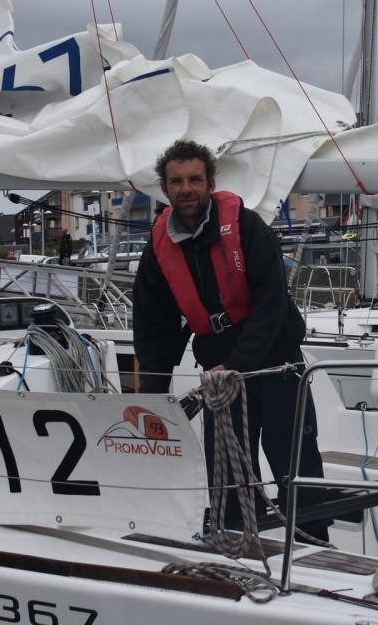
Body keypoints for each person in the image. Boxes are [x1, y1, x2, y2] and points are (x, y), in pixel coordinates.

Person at [132, 139, 330, 541]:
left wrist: (236, 363)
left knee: (294, 460)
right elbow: (153, 321)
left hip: (275, 360)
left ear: (210, 183)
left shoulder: (246, 227)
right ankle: (240, 542)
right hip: (219, 367)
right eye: (176, 182)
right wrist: (154, 387)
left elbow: (272, 303)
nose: (186, 189)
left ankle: (314, 544)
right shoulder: (159, 246)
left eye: (194, 179)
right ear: (165, 189)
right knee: (228, 471)